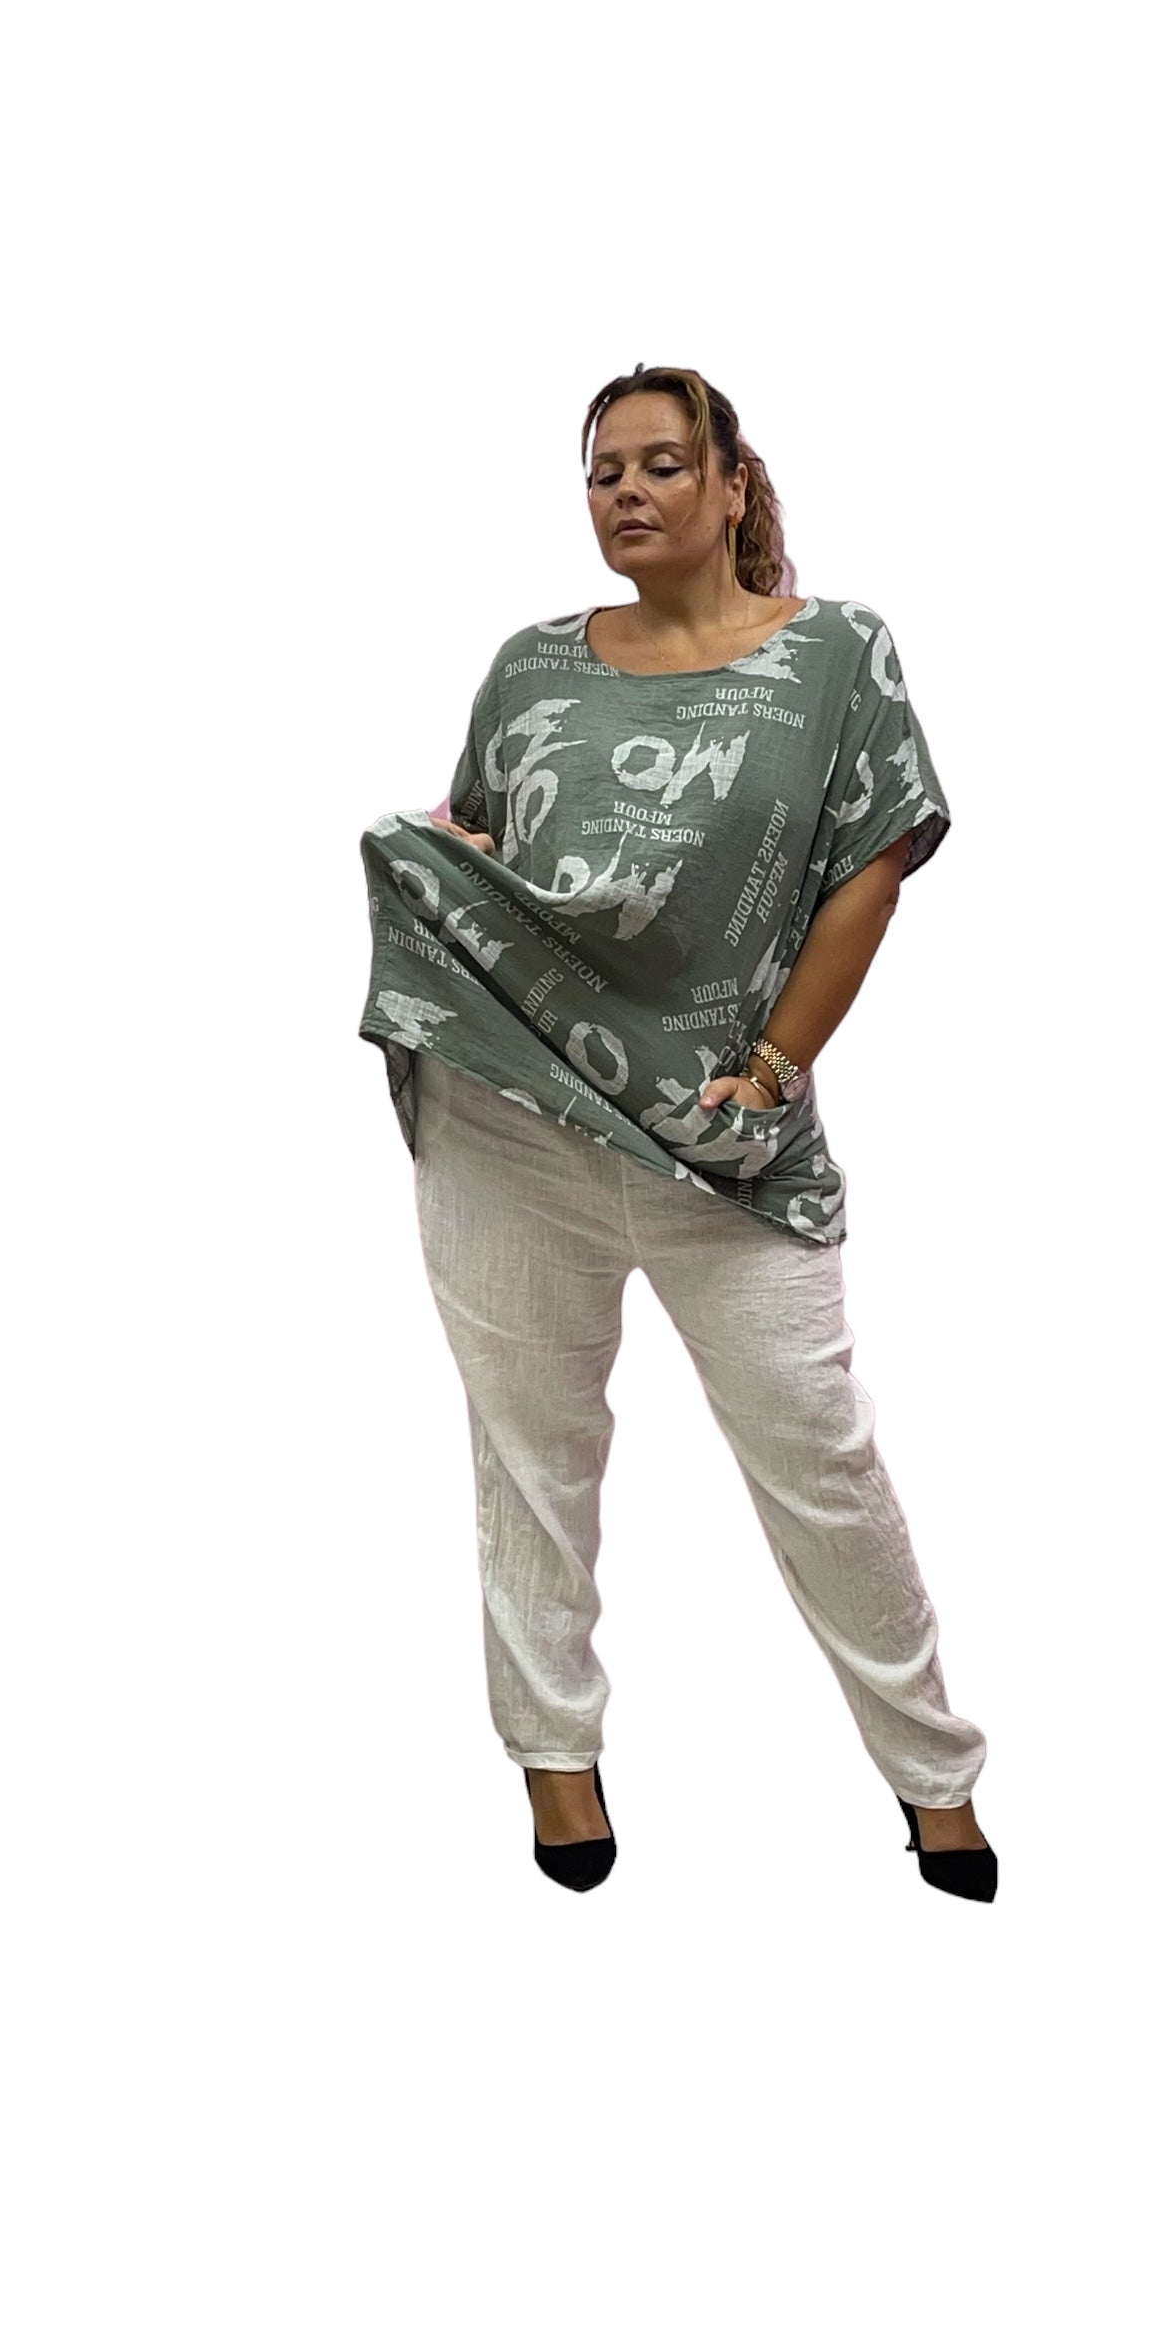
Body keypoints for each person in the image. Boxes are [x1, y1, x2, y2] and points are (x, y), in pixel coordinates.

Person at [357, 364, 997, 1902]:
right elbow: (493, 855)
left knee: (819, 1458)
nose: (628, 492)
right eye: (604, 472)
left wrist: (773, 1069)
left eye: (659, 464)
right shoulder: (529, 664)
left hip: (726, 1136)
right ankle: (556, 1765)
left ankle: (934, 1777)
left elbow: (870, 867)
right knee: (531, 1452)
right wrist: (430, 862)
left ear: (728, 484)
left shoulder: (836, 655)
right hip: (513, 1120)